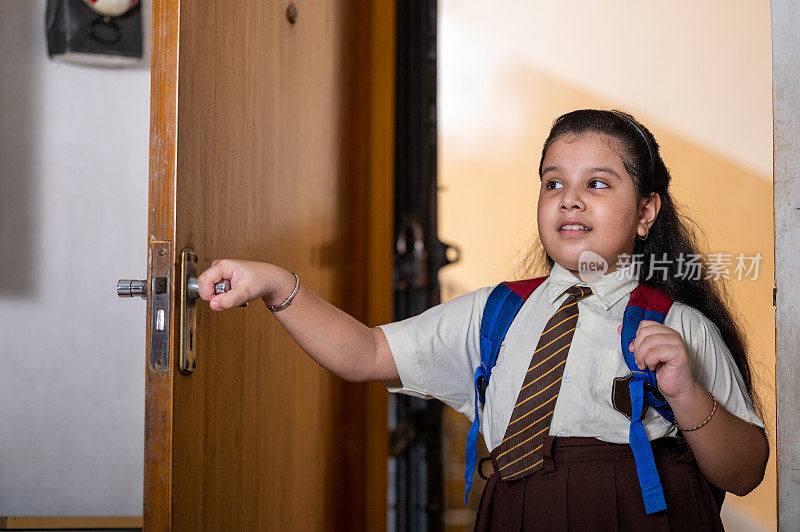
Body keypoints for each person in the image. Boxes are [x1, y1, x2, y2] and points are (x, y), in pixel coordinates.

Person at [197, 109, 769, 530]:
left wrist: (684, 390)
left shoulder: (679, 328)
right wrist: (276, 285)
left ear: (646, 212)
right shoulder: (496, 313)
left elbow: (744, 473)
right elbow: (366, 353)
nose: (570, 200)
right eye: (553, 183)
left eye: (597, 183)